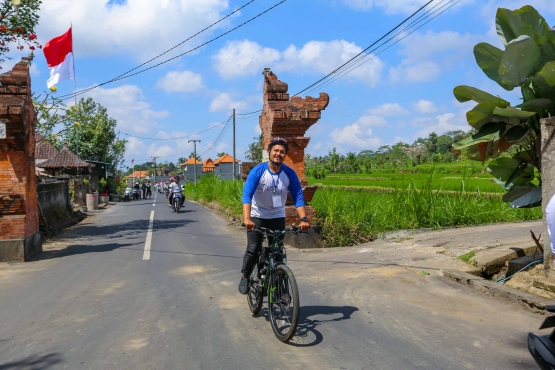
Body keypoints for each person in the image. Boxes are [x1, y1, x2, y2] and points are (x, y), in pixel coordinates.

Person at [238, 137, 310, 294]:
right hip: (257, 215)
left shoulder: (289, 174)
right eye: (276, 150)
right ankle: (246, 276)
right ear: (269, 152)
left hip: (277, 216)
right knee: (253, 247)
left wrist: (303, 219)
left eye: (282, 152)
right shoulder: (258, 171)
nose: (278, 154)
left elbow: (298, 196)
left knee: (278, 251)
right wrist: (247, 218)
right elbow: (247, 196)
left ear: (285, 155)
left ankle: (277, 282)